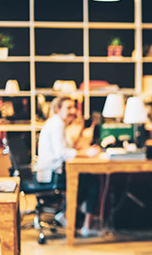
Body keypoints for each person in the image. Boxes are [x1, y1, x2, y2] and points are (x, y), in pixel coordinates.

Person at [34, 96, 102, 237]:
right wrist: (86, 154)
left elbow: (69, 147)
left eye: (74, 107)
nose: (73, 111)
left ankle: (66, 214)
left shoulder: (60, 124)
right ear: (58, 109)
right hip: (52, 174)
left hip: (54, 170)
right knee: (92, 181)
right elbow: (62, 152)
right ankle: (86, 225)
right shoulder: (57, 124)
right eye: (68, 107)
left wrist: (83, 144)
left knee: (86, 180)